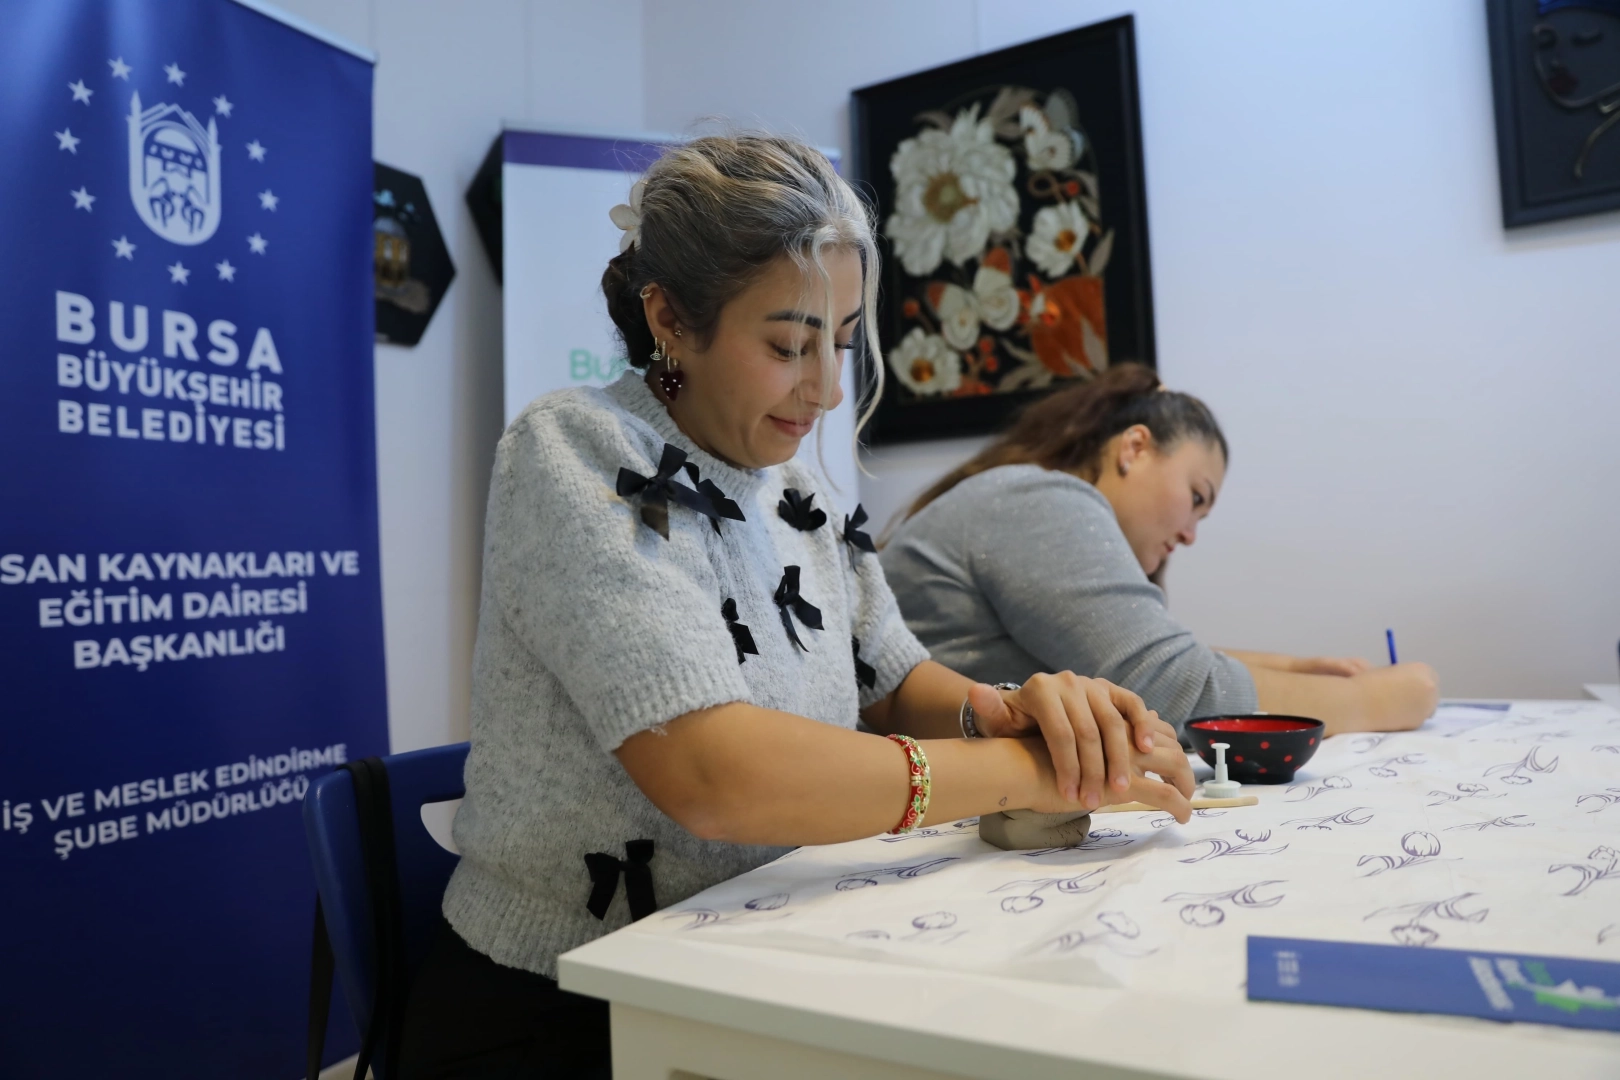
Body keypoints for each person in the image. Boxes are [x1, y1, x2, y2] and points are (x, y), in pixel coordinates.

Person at [398, 136, 1194, 1079]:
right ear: (669, 319)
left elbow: (893, 683)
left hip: (750, 949)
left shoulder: (798, 494)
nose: (825, 389)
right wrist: (1021, 773)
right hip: (568, 1002)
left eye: (843, 342)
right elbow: (713, 775)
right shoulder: (575, 452)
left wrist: (1020, 713)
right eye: (788, 346)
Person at [880, 363, 1439, 737]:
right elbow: (1171, 688)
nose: (1191, 534)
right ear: (1135, 447)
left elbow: (1148, 657)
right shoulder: (1043, 500)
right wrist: (1380, 700)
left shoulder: (1024, 498)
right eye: (1196, 497)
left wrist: (1291, 668)